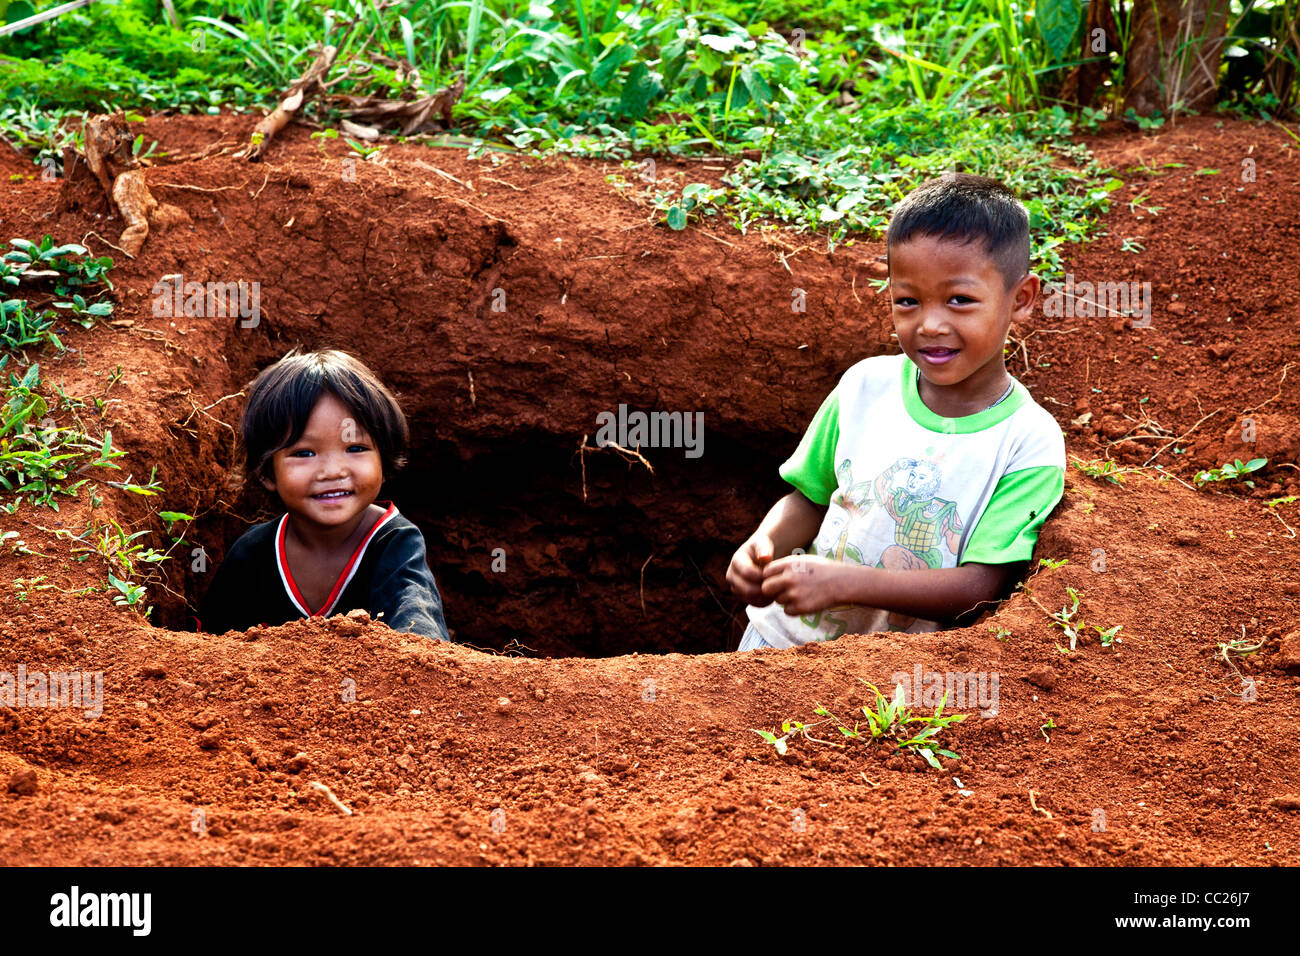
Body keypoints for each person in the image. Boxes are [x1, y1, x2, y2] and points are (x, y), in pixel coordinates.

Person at [727, 173, 1065, 650]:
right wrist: (764, 544)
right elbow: (809, 499)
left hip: (895, 691)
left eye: (960, 300)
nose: (929, 324)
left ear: (1022, 298)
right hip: (778, 643)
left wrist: (845, 582)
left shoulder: (1028, 441)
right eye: (907, 301)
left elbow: (981, 588)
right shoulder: (864, 387)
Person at [196, 348, 450, 642]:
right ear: (266, 472)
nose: (332, 471)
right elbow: (207, 650)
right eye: (304, 453)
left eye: (355, 448)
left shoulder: (395, 543)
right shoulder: (252, 554)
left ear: (384, 457)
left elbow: (420, 637)